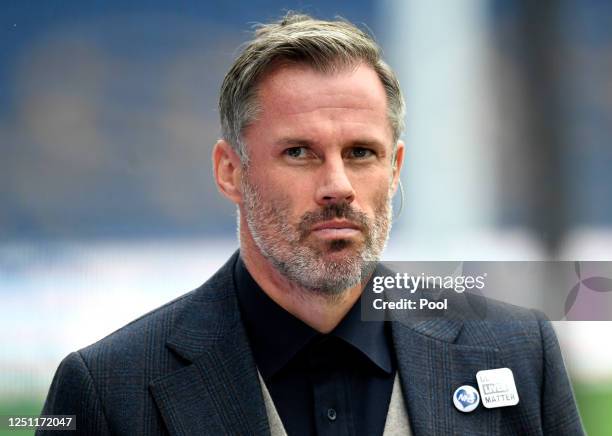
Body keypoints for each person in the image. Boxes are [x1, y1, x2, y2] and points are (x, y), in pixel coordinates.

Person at [39, 13, 584, 435]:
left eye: (362, 152)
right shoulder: (108, 389)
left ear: (394, 170)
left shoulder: (516, 350)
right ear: (231, 172)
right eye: (299, 152)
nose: (338, 185)